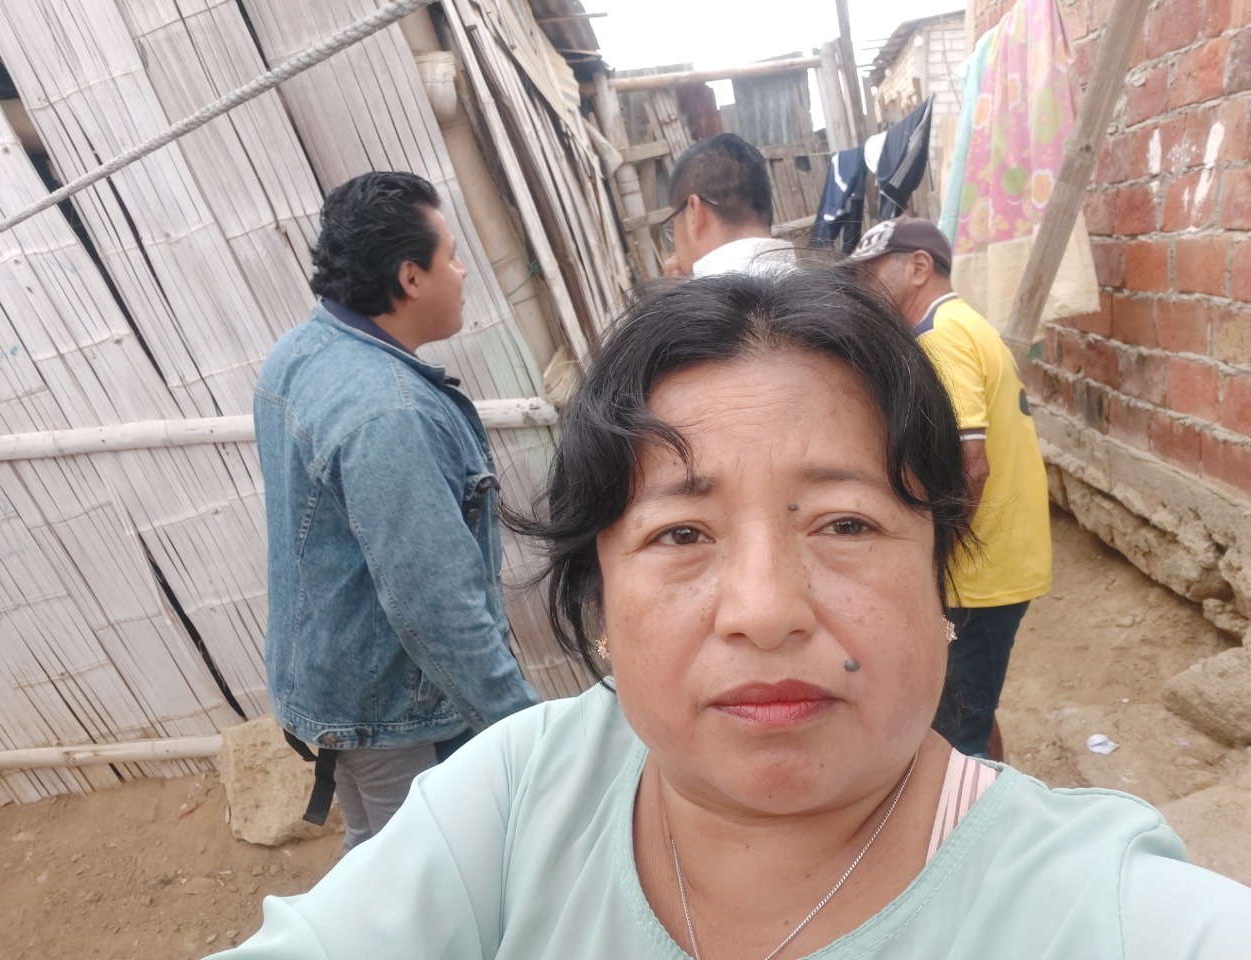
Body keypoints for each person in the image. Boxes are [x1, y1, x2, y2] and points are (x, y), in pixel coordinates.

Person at [218, 270, 1250, 959]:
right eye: (681, 533)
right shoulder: (519, 794)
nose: (764, 613)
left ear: (938, 573)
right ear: (600, 599)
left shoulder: (1096, 910)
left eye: (844, 523)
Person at [253, 171, 539, 852]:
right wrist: (522, 728)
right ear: (411, 278)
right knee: (426, 875)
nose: (463, 273)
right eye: (452, 258)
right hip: (393, 712)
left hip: (333, 683)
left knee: (374, 852)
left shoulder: (301, 350)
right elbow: (436, 602)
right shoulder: (391, 413)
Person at [849, 217, 1052, 760]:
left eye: (872, 274)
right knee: (969, 700)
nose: (863, 289)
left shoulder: (940, 338)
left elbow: (971, 464)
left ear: (919, 266)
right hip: (999, 560)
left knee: (957, 730)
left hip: (978, 574)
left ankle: (977, 811)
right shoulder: (967, 324)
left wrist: (937, 554)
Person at [662, 133, 796, 277]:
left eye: (673, 226)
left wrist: (681, 291)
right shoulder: (810, 284)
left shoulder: (700, 290)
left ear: (694, 214)